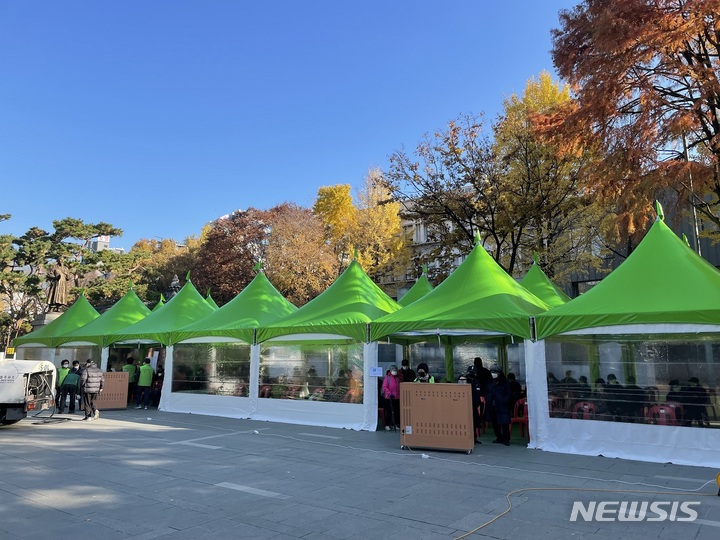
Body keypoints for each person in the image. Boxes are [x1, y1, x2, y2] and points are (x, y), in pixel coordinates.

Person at [485, 365, 512, 445]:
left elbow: (508, 394)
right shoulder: (489, 382)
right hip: (492, 405)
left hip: (502, 405)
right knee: (495, 423)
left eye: (495, 372)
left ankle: (506, 439)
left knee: (504, 423)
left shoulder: (505, 382)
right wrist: (488, 398)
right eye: (492, 372)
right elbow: (486, 391)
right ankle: (499, 437)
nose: (493, 374)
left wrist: (504, 400)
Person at [381, 365, 401, 431]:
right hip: (389, 397)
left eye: (395, 370)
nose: (394, 371)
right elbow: (384, 387)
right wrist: (389, 393)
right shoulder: (387, 378)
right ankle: (387, 424)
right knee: (389, 411)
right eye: (393, 370)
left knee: (396, 411)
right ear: (390, 370)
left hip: (397, 397)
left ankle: (395, 424)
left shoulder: (397, 378)